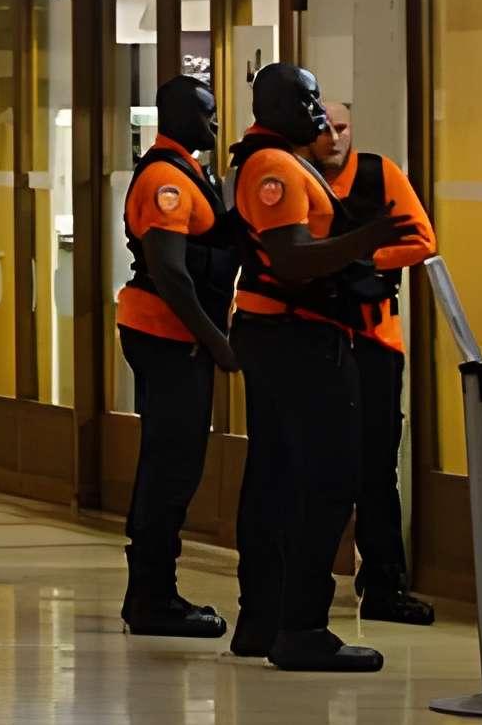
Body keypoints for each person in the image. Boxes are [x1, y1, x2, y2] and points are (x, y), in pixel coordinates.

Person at [225, 62, 405, 672]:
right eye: (307, 100)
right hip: (294, 336)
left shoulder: (276, 159)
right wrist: (369, 238)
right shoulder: (273, 167)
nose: (319, 113)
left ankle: (264, 620)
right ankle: (301, 625)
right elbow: (293, 258)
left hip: (278, 333)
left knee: (274, 475)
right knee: (328, 479)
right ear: (273, 107)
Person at [115, 74, 238, 638]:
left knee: (168, 464)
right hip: (168, 337)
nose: (214, 124)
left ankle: (147, 591)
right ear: (177, 115)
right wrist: (216, 341)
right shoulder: (166, 178)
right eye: (206, 114)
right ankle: (154, 599)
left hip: (171, 336)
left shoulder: (187, 170)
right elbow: (170, 270)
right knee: (172, 468)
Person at [319, 100, 442, 627]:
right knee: (320, 465)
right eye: (323, 127)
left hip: (375, 340)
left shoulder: (378, 173)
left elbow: (422, 241)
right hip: (315, 340)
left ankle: (385, 582)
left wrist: (362, 260)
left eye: (342, 126)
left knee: (377, 465)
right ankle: (304, 583)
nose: (333, 137)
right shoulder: (290, 174)